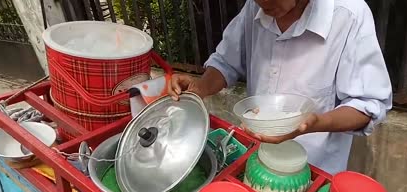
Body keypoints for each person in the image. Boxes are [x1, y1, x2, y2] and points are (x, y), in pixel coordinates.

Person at [167, 0, 392, 174]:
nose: (263, 5)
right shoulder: (255, 8)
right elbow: (227, 62)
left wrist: (314, 124)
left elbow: (367, 105)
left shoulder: (348, 15)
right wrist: (202, 86)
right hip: (257, 159)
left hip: (314, 170)